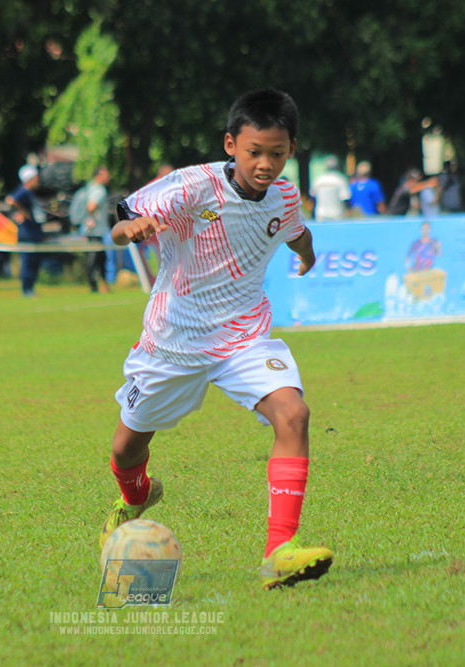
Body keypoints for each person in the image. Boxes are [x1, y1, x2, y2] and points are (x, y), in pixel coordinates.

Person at [101, 88, 333, 591]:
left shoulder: (285, 195)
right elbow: (119, 226)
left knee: (294, 414)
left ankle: (280, 552)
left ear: (292, 149)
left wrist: (307, 254)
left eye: (277, 153)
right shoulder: (192, 186)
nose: (265, 164)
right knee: (124, 449)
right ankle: (136, 495)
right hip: (171, 343)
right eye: (254, 152)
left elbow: (295, 231)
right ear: (231, 144)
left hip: (243, 337)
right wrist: (133, 228)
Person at [5, 164, 45, 297]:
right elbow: (10, 200)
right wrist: (23, 211)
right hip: (27, 233)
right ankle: (26, 289)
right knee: (28, 262)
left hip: (33, 232)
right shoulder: (23, 191)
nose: (38, 181)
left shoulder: (30, 193)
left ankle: (30, 288)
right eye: (35, 178)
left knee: (34, 262)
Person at [78, 166, 113, 293]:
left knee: (97, 257)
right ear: (99, 176)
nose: (108, 178)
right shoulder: (99, 190)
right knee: (97, 258)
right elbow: (91, 206)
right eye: (106, 175)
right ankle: (95, 285)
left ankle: (99, 284)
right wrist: (92, 217)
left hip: (89, 229)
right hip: (96, 230)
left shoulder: (89, 187)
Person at [309, 155, 351, 221]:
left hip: (321, 214)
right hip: (337, 215)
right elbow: (345, 198)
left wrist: (312, 213)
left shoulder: (318, 179)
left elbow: (312, 197)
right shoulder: (340, 179)